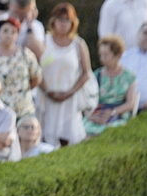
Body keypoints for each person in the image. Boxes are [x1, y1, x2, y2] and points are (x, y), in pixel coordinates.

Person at [37, 3, 91, 146]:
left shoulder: (78, 44)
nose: (63, 24)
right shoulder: (44, 41)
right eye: (60, 19)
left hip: (69, 97)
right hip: (47, 96)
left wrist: (69, 92)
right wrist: (48, 91)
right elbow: (36, 69)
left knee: (68, 136)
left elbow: (86, 73)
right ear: (53, 21)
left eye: (67, 20)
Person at [0, 17, 43, 119]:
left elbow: (36, 77)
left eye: (13, 32)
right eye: (5, 31)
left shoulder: (25, 54)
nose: (9, 35)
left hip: (22, 109)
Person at [84, 36, 138, 137]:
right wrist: (92, 115)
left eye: (106, 55)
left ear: (118, 55)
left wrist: (112, 112)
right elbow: (88, 100)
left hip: (119, 114)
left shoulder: (129, 76)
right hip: (98, 113)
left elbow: (131, 103)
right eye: (101, 55)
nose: (102, 59)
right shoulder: (96, 75)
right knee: (83, 130)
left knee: (110, 131)